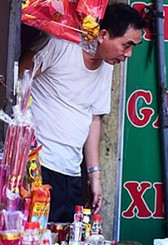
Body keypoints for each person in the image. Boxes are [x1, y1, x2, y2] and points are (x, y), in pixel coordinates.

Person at [19, 3, 145, 222]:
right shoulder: (60, 45)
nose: (129, 54)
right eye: (127, 45)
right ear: (103, 35)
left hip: (71, 172)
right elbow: (18, 83)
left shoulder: (107, 66)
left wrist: (94, 174)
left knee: (65, 242)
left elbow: (94, 118)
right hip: (37, 168)